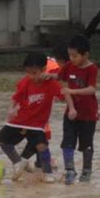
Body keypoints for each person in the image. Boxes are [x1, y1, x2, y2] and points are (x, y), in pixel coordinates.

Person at [0, 52, 76, 183]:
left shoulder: (50, 83)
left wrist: (72, 108)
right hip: (20, 121)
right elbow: (16, 97)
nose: (31, 76)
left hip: (37, 124)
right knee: (1, 140)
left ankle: (48, 173)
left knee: (42, 146)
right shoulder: (25, 82)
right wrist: (11, 109)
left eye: (34, 73)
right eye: (28, 73)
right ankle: (18, 162)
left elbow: (65, 93)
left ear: (43, 70)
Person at [45, 35, 99, 185]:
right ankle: (70, 170)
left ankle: (87, 171)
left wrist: (73, 92)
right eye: (70, 55)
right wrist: (48, 76)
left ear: (85, 55)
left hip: (88, 114)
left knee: (86, 144)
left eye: (74, 55)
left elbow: (91, 89)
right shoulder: (69, 66)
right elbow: (59, 76)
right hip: (71, 112)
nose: (71, 58)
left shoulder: (92, 68)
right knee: (67, 142)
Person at [27, 42, 70, 172]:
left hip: (36, 96)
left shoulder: (54, 64)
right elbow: (62, 90)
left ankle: (39, 160)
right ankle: (41, 160)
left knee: (40, 127)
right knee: (41, 127)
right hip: (37, 96)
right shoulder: (56, 68)